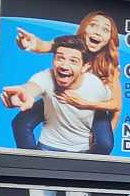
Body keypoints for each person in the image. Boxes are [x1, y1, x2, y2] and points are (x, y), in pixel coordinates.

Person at [1, 37, 104, 196]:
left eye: (73, 60)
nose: (64, 65)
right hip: (47, 151)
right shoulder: (46, 77)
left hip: (81, 156)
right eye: (60, 58)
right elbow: (31, 88)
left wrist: (95, 160)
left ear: (85, 66)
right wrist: (23, 95)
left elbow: (109, 117)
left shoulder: (96, 88)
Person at [10, 10, 122, 155]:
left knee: (105, 143)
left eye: (105, 29)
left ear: (109, 38)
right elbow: (44, 45)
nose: (98, 32)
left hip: (92, 108)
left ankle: (82, 169)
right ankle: (32, 162)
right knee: (20, 123)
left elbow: (116, 106)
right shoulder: (70, 44)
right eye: (93, 25)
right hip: (59, 101)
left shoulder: (110, 65)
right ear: (84, 28)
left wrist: (83, 104)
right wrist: (30, 44)